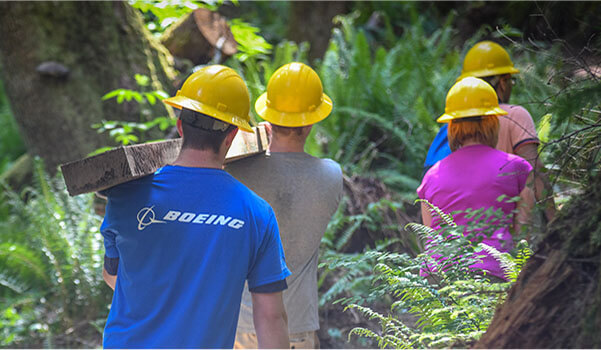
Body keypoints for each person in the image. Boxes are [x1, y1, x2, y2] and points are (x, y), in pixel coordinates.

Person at [100, 65, 291, 349]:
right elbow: (270, 317)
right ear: (233, 135)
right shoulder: (257, 214)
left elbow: (112, 276)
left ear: (180, 127)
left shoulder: (124, 195)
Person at [226, 62, 343, 349]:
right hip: (297, 326)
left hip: (237, 323)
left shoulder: (235, 172)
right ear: (312, 121)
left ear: (268, 116)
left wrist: (250, 143)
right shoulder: (331, 175)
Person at [423, 41, 555, 222]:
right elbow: (535, 174)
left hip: (462, 226)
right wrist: (556, 221)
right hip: (505, 225)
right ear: (502, 82)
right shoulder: (515, 115)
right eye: (510, 81)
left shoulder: (453, 124)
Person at [418, 77, 533, 280]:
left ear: (451, 127)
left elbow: (430, 237)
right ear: (493, 123)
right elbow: (522, 236)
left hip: (438, 277)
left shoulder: (431, 176)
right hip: (494, 272)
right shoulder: (517, 168)